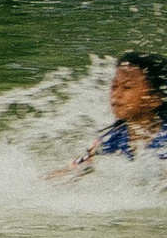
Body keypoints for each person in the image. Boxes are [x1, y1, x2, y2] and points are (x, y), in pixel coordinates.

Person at [50, 51, 167, 179]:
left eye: (127, 87)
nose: (117, 94)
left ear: (155, 99)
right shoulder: (111, 140)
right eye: (114, 86)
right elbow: (70, 173)